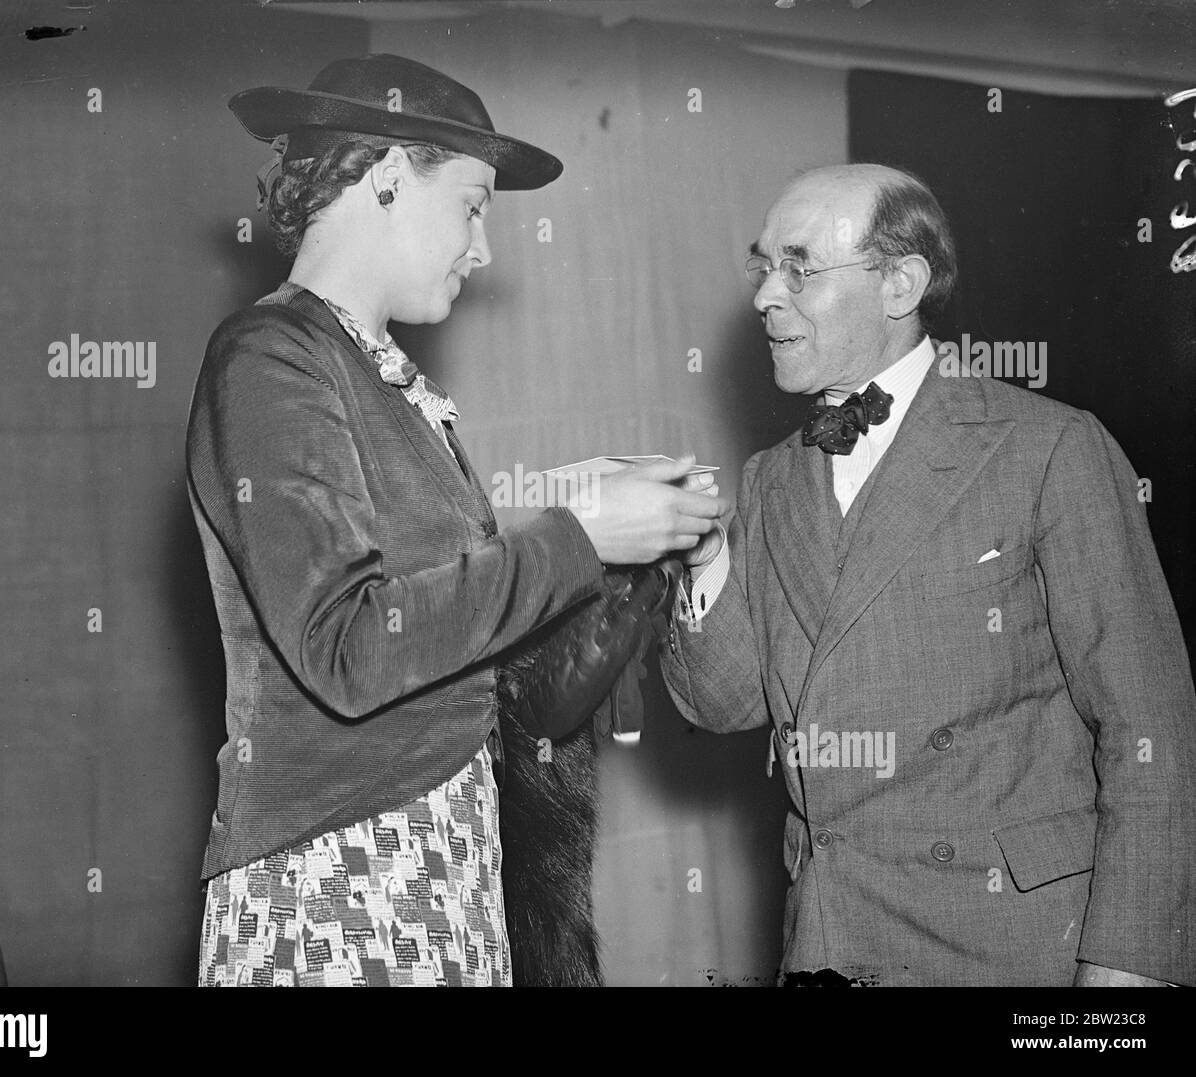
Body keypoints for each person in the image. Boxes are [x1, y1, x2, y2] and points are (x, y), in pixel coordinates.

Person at [186, 53, 726, 987]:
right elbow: (348, 644)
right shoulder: (271, 357)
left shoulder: (375, 375)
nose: (482, 249)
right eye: (474, 205)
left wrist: (570, 518)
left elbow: (435, 621)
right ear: (390, 180)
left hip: (440, 863)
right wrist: (580, 534)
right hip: (340, 881)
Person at [661, 162, 1196, 986]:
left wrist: (1128, 972)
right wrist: (703, 558)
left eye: (799, 266)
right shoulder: (773, 477)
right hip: (831, 945)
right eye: (763, 265)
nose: (767, 295)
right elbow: (725, 701)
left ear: (900, 284)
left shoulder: (1046, 448)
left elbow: (1152, 729)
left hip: (1012, 948)